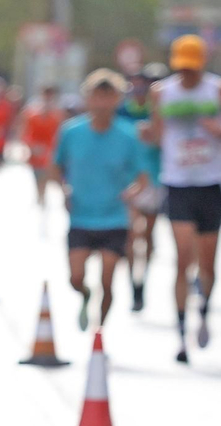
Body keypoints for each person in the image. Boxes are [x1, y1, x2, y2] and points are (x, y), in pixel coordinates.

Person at [148, 35, 221, 362]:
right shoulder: (161, 92)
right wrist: (146, 137)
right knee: (183, 259)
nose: (187, 74)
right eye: (182, 68)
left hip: (211, 183)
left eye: (192, 68)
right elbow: (156, 135)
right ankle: (181, 333)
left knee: (207, 263)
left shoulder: (218, 90)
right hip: (178, 183)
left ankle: (203, 311)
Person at [49, 69, 151, 331]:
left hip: (114, 218)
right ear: (87, 98)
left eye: (109, 97)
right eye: (97, 96)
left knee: (107, 279)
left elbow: (142, 177)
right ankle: (85, 295)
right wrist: (64, 190)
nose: (102, 103)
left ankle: (99, 331)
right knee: (75, 277)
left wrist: (132, 193)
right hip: (81, 216)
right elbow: (56, 167)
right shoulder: (71, 131)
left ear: (118, 99)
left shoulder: (128, 134)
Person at [119, 63, 169, 311]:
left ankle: (143, 281)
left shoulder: (161, 111)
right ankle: (132, 284)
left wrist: (157, 135)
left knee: (148, 235)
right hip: (130, 179)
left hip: (155, 180)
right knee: (131, 235)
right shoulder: (123, 111)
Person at [18, 85, 65, 208]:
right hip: (36, 152)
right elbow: (25, 132)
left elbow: (61, 134)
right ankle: (40, 197)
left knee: (46, 176)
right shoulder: (32, 113)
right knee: (37, 176)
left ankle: (43, 198)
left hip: (51, 152)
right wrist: (32, 146)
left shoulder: (58, 115)